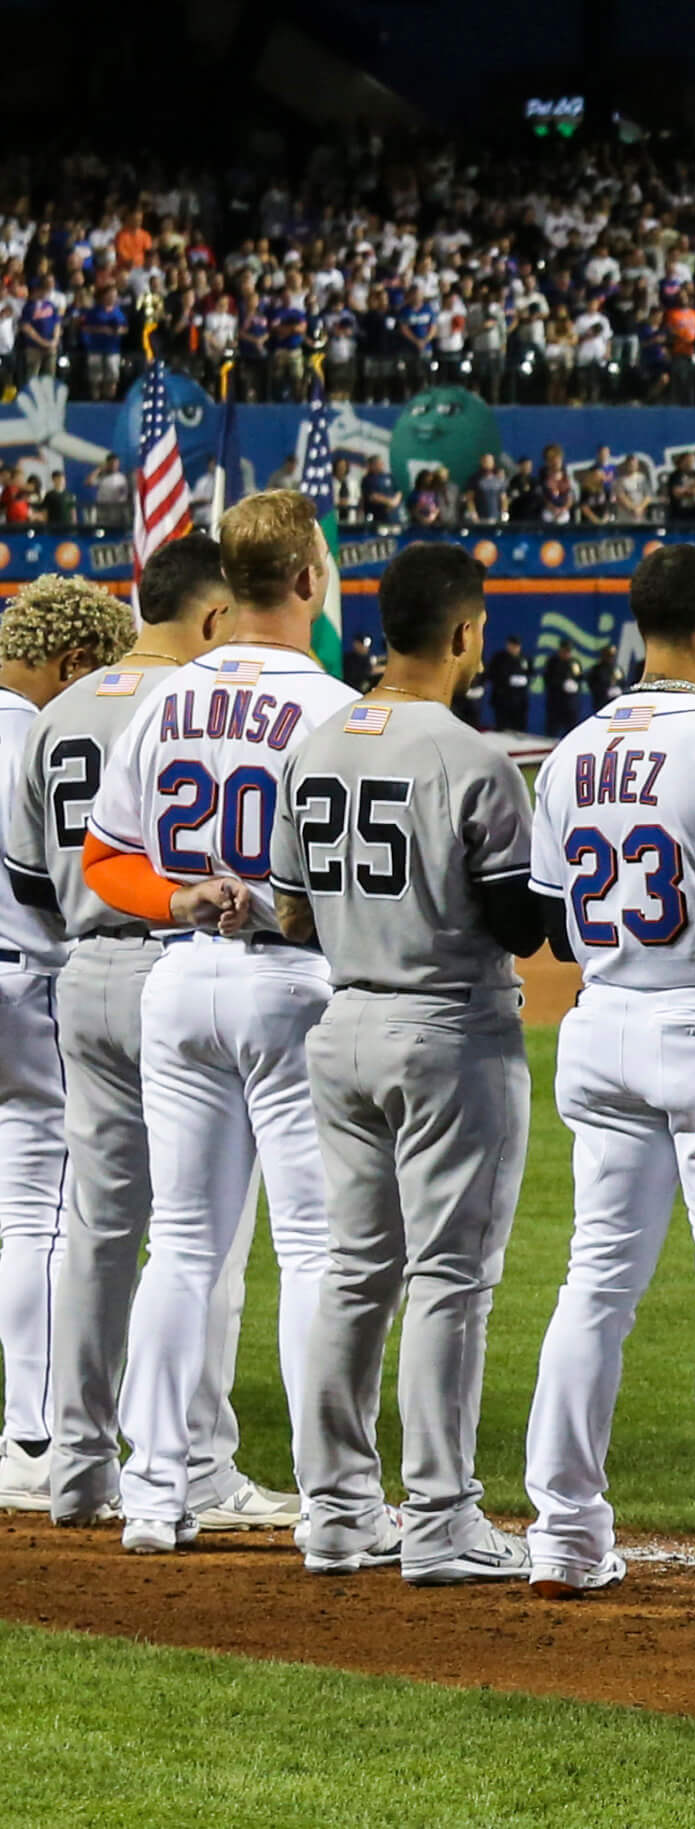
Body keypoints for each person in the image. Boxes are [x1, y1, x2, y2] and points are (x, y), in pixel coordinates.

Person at [80, 490, 358, 1555]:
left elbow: (105, 860)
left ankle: (154, 1499)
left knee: (182, 1246)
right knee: (312, 1247)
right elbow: (342, 890)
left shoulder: (160, 697)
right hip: (288, 985)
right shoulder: (330, 706)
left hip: (178, 979)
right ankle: (335, 1508)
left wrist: (183, 898)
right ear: (305, 581)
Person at [521, 546, 695, 1608]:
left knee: (595, 1284)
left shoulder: (574, 745)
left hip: (604, 1024)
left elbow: (550, 925)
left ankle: (563, 1533)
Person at [2, 549, 293, 1528]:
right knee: (199, 1233)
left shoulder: (57, 714)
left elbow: (34, 883)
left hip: (82, 972)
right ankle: (196, 1462)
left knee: (96, 1226)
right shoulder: (203, 703)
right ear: (215, 613)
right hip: (187, 964)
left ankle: (79, 1464)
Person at [272, 544, 545, 1582]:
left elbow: (292, 909)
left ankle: (337, 1512)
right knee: (448, 1276)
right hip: (447, 1029)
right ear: (465, 630)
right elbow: (520, 923)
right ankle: (439, 1517)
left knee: (354, 1270)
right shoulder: (469, 757)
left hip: (341, 1024)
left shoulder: (318, 741)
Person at [0, 578, 129, 1509]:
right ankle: (37, 1431)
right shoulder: (37, 736)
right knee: (37, 1212)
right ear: (73, 661)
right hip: (28, 980)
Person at [490, 635, 533, 733]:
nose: (514, 648)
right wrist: (508, 680)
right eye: (512, 645)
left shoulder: (525, 659)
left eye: (517, 646)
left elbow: (531, 673)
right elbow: (493, 675)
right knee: (502, 728)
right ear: (507, 645)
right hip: (503, 699)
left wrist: (525, 680)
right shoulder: (499, 658)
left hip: (519, 700)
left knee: (518, 728)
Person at [542, 643, 581, 735]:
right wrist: (561, 684)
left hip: (570, 703)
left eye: (568, 652)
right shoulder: (552, 662)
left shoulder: (574, 663)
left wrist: (575, 685)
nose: (567, 654)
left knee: (571, 730)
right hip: (556, 702)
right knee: (552, 729)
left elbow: (579, 677)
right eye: (564, 651)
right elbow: (547, 679)